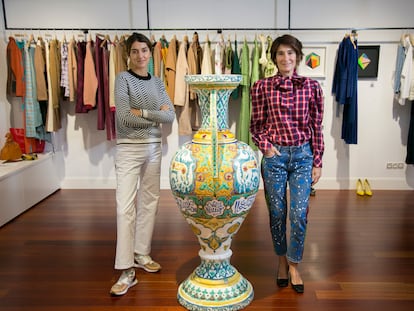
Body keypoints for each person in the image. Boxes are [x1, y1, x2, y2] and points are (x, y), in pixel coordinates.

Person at [250, 34, 324, 294]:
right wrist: (267, 149)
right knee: (278, 213)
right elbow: (255, 126)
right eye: (280, 53)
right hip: (275, 159)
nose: (286, 58)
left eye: (290, 53)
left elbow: (316, 126)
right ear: (274, 58)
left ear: (298, 56)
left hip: (303, 157)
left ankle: (295, 264)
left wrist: (317, 160)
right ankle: (281, 261)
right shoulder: (261, 87)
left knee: (299, 214)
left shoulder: (312, 88)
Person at [110, 32, 175, 296]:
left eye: (144, 51)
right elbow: (125, 118)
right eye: (135, 51)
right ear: (129, 54)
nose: (140, 56)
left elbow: (169, 115)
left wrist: (146, 113)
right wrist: (155, 116)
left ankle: (141, 253)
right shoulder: (122, 79)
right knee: (125, 208)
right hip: (128, 149)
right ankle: (126, 270)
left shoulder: (158, 83)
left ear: (151, 53)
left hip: (153, 149)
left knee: (150, 201)